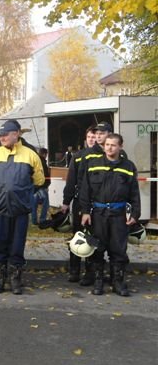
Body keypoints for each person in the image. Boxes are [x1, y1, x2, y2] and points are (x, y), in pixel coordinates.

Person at [0, 119, 45, 294]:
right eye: (0, 135)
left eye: (5, 135)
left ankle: (15, 278)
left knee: (17, 245)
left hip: (20, 209)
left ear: (16, 134)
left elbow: (39, 180)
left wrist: (22, 194)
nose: (2, 138)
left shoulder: (31, 155)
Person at [79, 133, 140, 296]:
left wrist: (135, 213)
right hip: (98, 214)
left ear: (120, 147)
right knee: (97, 248)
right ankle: (98, 281)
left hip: (118, 214)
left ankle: (118, 282)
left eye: (113, 145)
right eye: (107, 145)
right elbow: (85, 190)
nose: (109, 148)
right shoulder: (93, 164)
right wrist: (85, 212)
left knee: (118, 249)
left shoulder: (128, 166)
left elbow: (134, 193)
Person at [61, 126, 97, 284]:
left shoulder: (102, 156)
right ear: (85, 138)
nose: (92, 139)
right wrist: (66, 202)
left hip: (96, 203)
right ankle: (74, 270)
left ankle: (90, 272)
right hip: (79, 203)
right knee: (77, 235)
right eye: (89, 137)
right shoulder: (77, 156)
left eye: (94, 137)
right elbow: (71, 181)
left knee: (92, 237)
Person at [31, 147, 50, 225]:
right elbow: (44, 175)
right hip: (41, 186)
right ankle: (42, 219)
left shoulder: (35, 160)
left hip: (35, 186)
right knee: (46, 203)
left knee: (34, 204)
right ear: (44, 154)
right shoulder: (42, 162)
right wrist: (46, 184)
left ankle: (34, 220)